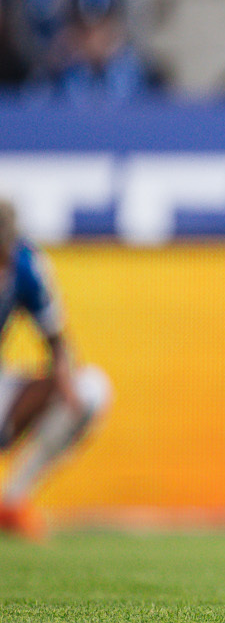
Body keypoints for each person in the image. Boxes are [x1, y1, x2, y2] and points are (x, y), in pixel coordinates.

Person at [0, 199, 113, 539]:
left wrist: (64, 385)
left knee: (91, 389)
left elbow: (56, 340)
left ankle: (12, 501)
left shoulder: (25, 266)